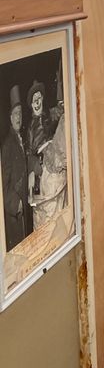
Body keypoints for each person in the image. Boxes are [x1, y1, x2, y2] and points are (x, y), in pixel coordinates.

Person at [1, 85, 29, 250]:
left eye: (20, 113)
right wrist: (15, 203)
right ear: (10, 118)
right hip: (15, 214)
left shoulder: (21, 139)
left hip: (25, 204)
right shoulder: (7, 146)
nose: (19, 117)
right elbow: (3, 185)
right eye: (15, 114)